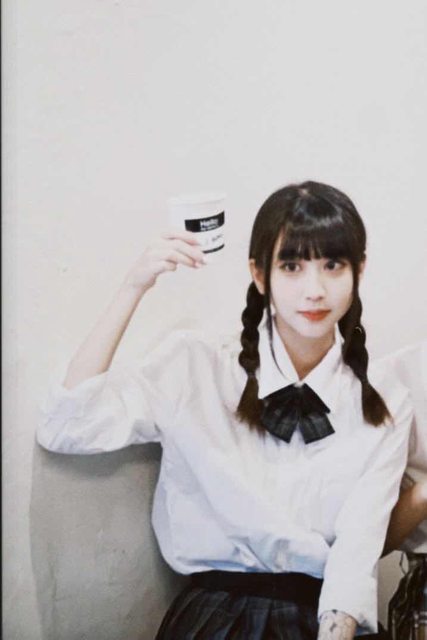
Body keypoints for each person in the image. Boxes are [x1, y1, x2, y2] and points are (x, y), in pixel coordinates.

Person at [37, 181, 414, 639]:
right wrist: (134, 286)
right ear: (260, 274)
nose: (314, 290)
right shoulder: (196, 366)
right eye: (291, 266)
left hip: (327, 619)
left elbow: (356, 551)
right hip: (216, 621)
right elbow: (66, 427)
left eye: (332, 265)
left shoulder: (385, 402)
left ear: (359, 270)